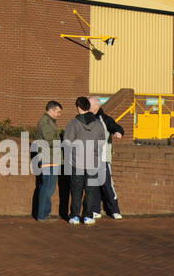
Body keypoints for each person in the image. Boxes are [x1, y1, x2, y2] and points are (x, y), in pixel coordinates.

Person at [62, 96, 105, 225]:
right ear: (88, 107)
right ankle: (87, 216)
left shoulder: (73, 123)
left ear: (78, 107)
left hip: (77, 162)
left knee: (76, 190)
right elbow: (102, 143)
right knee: (90, 190)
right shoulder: (98, 124)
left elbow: (67, 142)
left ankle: (75, 216)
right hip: (93, 162)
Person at [31, 101, 63, 221]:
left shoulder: (49, 121)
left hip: (51, 157)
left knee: (49, 187)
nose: (59, 114)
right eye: (58, 112)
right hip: (48, 157)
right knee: (47, 187)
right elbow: (49, 140)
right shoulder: (46, 122)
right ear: (51, 110)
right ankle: (42, 215)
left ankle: (44, 214)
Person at [94, 97, 124, 220]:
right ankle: (95, 209)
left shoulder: (104, 119)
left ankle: (114, 210)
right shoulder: (86, 118)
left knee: (107, 183)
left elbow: (115, 126)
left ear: (96, 106)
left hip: (103, 158)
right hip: (89, 158)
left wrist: (118, 132)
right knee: (92, 184)